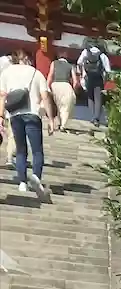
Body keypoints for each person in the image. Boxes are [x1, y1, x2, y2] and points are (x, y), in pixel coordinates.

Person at [0, 48, 53, 199]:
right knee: (37, 150)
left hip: (15, 115)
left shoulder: (6, 73)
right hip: (32, 114)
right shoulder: (36, 73)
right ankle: (36, 177)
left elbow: (2, 96)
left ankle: (22, 182)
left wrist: (1, 116)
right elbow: (45, 96)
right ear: (27, 59)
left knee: (21, 150)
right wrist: (50, 118)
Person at [76, 40, 111, 128]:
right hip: (98, 79)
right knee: (98, 98)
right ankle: (96, 118)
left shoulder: (86, 51)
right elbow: (108, 70)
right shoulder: (102, 55)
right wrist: (105, 80)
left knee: (90, 97)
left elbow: (79, 62)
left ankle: (92, 117)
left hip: (88, 77)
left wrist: (81, 73)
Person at [50, 52, 75, 130]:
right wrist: (73, 89)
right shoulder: (70, 66)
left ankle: (59, 122)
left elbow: (50, 75)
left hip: (55, 85)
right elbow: (75, 81)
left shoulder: (54, 63)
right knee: (65, 107)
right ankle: (63, 125)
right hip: (66, 85)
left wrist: (47, 86)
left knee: (58, 105)